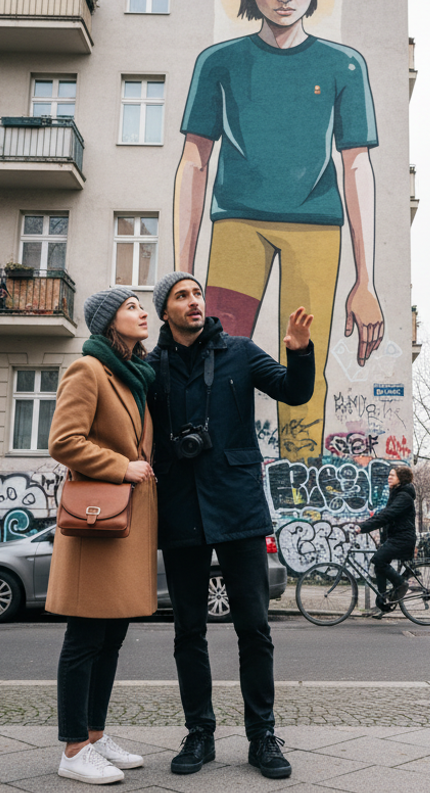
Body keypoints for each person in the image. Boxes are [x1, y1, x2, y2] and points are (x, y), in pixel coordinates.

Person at [173, 0, 383, 461]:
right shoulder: (220, 62)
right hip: (239, 228)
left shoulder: (344, 66)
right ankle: (212, 462)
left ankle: (301, 480)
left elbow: (356, 166)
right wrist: (180, 277)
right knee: (215, 354)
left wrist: (366, 279)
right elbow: (193, 162)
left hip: (315, 228)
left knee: (304, 358)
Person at [146, 272, 314, 779]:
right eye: (182, 296)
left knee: (254, 629)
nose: (194, 302)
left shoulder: (240, 351)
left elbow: (294, 392)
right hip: (179, 508)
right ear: (165, 312)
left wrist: (299, 352)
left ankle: (262, 735)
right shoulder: (150, 367)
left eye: (197, 294)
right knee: (187, 630)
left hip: (239, 507)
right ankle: (200, 733)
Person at [47, 288, 158, 785]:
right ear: (108, 320)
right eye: (132, 307)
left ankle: (94, 735)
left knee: (111, 637)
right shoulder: (88, 370)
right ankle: (72, 749)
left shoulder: (133, 378)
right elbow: (64, 441)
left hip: (125, 526)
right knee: (86, 637)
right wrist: (122, 466)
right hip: (97, 522)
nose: (143, 313)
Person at [352, 466, 417, 612]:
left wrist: (363, 527)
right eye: (389, 475)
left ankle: (401, 584)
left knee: (378, 560)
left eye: (392, 475)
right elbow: (385, 515)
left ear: (401, 478)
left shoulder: (404, 497)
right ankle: (383, 601)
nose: (389, 477)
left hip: (402, 539)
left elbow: (387, 515)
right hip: (395, 538)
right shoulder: (397, 494)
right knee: (379, 566)